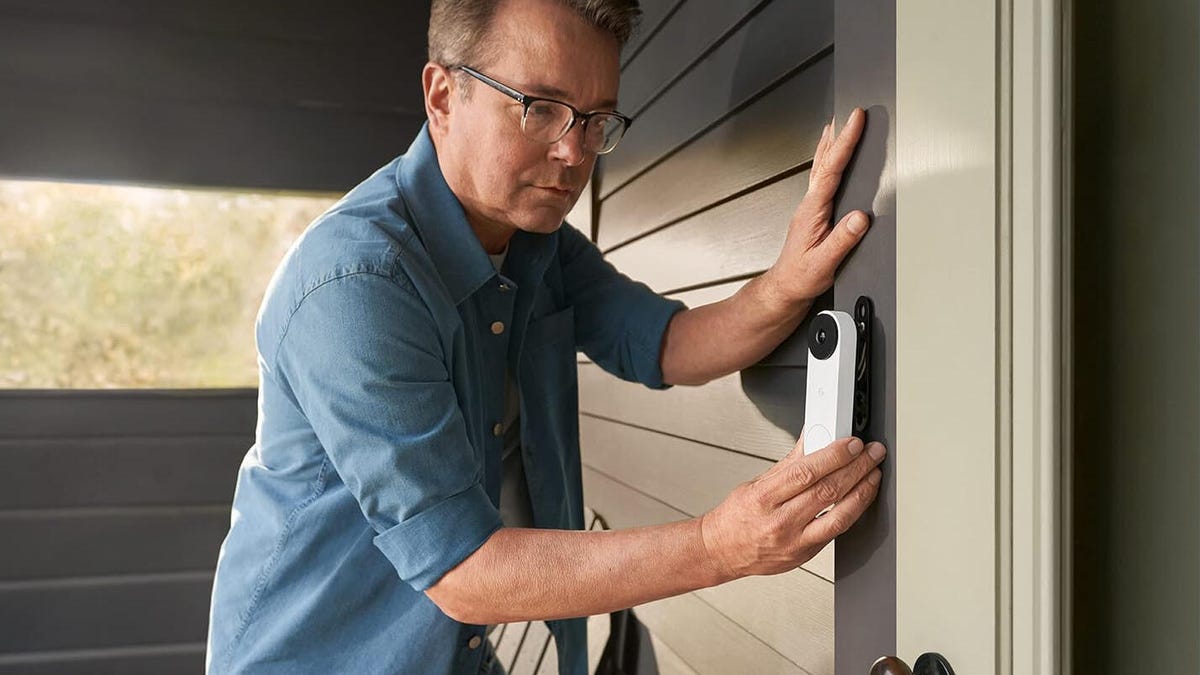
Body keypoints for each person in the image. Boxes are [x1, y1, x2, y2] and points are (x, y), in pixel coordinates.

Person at [206, 0, 887, 672]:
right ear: (444, 95)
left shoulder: (538, 241)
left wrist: (786, 283)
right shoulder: (355, 283)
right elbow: (466, 569)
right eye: (540, 107)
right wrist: (718, 545)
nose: (572, 152)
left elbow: (669, 343)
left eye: (596, 120)